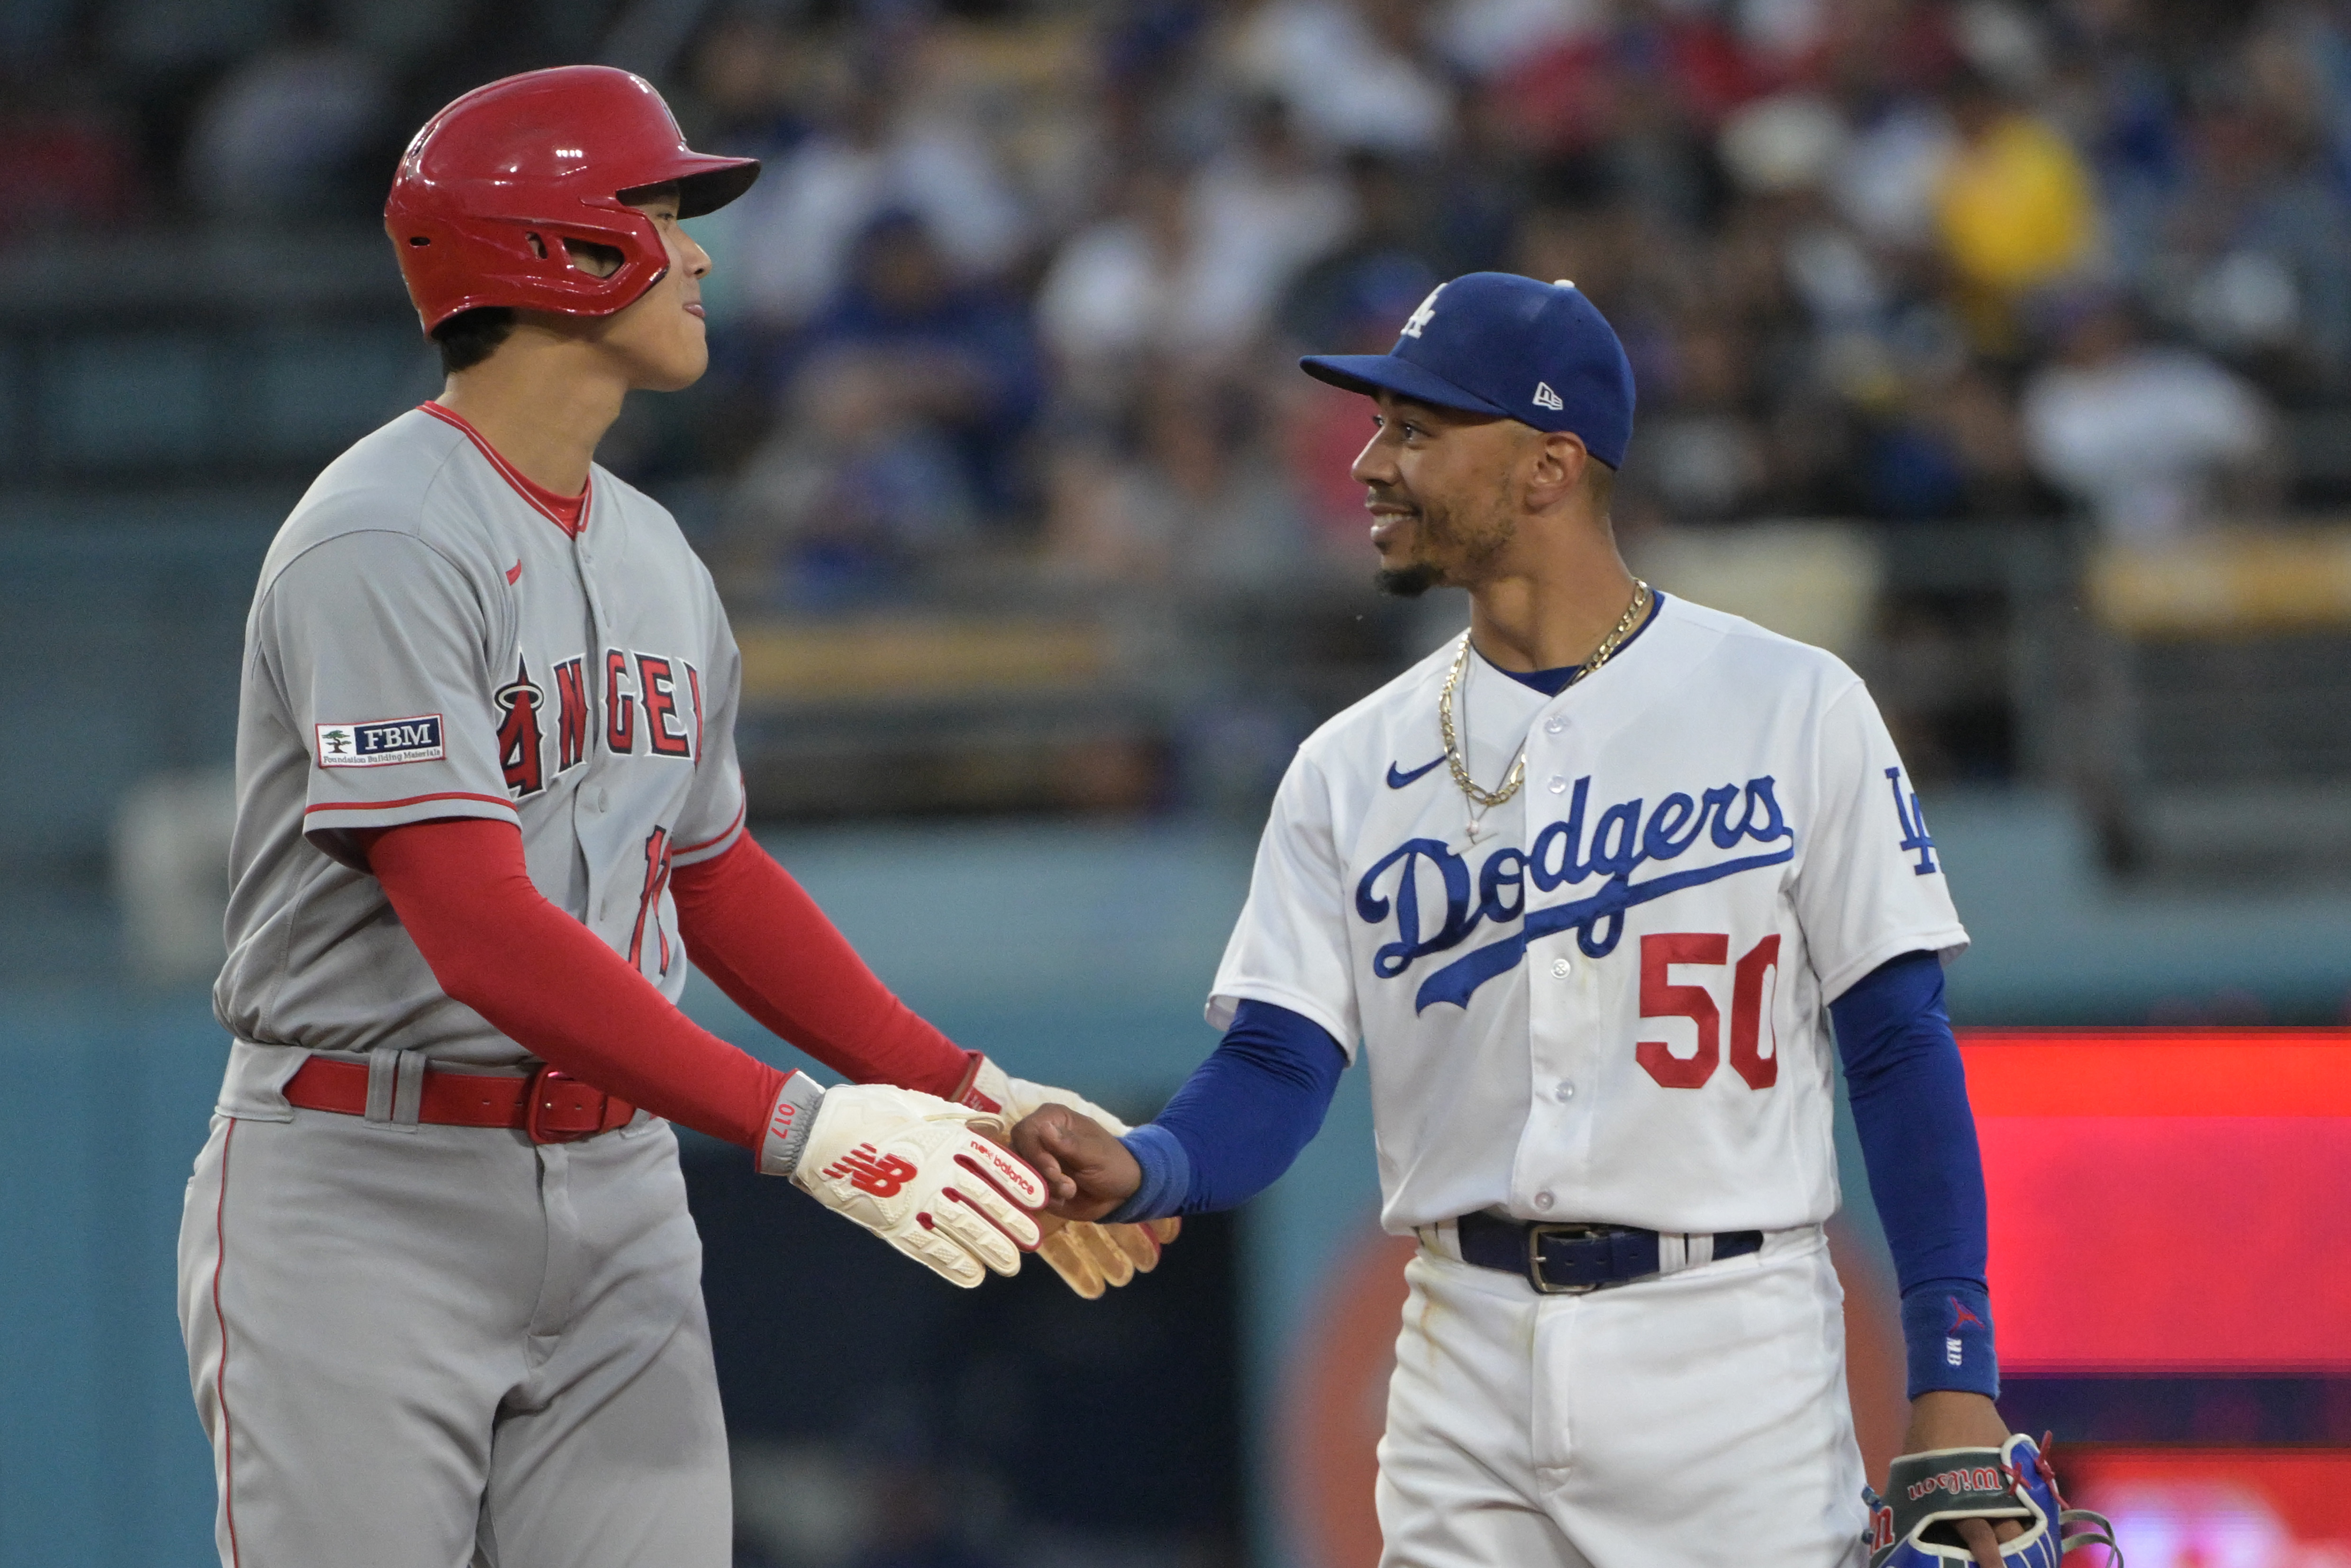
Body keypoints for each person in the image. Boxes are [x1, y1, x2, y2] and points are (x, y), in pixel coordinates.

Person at [177, 66, 1166, 1568]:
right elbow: (479, 930)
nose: (698, 253)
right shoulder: (378, 534)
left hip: (622, 1187)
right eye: (660, 213)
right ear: (558, 253)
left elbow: (710, 874)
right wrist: (804, 1127)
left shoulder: (654, 554)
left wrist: (964, 1085)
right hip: (365, 1188)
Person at [1014, 273, 2043, 1567]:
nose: (1373, 465)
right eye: (1382, 428)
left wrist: (1954, 1360)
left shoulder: (1791, 704)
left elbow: (1897, 1046)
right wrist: (1151, 1163)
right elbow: (1279, 1065)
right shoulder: (1349, 761)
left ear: (1551, 466)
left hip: (1729, 1351)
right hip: (1461, 1353)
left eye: (1418, 431)